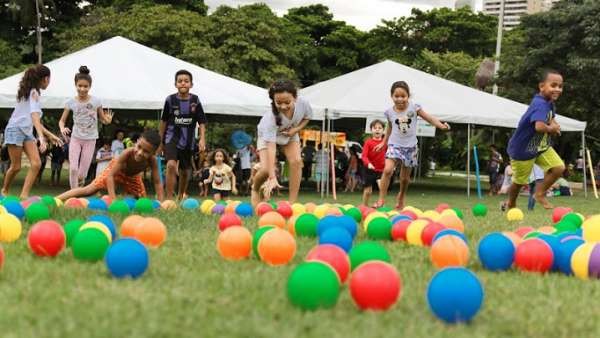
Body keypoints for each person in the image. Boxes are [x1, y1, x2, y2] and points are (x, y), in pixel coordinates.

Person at [374, 81, 450, 209]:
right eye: (396, 96)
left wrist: (441, 126)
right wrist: (383, 142)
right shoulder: (389, 112)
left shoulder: (414, 108)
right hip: (394, 145)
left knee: (404, 179)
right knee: (387, 170)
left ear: (408, 96)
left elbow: (429, 118)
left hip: (410, 147)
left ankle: (401, 196)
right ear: (391, 96)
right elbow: (390, 127)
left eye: (403, 96)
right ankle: (381, 199)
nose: (399, 99)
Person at [503, 69, 565, 210]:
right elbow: (539, 126)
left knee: (558, 168)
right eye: (553, 85)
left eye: (560, 86)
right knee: (519, 182)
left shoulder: (549, 102)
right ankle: (511, 202)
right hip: (522, 150)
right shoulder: (540, 104)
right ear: (542, 86)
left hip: (538, 146)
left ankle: (539, 193)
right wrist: (552, 129)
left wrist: (555, 125)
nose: (557, 89)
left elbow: (551, 118)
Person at [2, 64, 63, 198]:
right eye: (49, 79)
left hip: (26, 132)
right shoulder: (33, 92)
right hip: (15, 130)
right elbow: (34, 116)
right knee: (16, 166)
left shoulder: (33, 92)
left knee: (36, 163)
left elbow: (35, 120)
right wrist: (41, 138)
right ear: (45, 78)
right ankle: (4, 191)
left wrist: (50, 135)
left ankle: (24, 196)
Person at [251, 80, 312, 206]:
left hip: (290, 132)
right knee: (266, 169)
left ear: (295, 98)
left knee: (296, 161)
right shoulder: (270, 119)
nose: (283, 106)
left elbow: (307, 118)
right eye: (279, 103)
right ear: (273, 100)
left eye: (287, 102)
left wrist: (295, 130)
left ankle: (292, 202)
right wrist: (272, 177)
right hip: (266, 136)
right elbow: (271, 148)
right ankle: (255, 188)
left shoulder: (303, 103)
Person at [57, 130, 164, 201]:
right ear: (136, 142)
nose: (140, 152)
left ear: (153, 153)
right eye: (139, 147)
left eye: (146, 151)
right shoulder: (127, 153)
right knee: (89, 190)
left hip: (133, 176)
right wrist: (113, 200)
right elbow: (110, 176)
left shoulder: (152, 161)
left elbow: (157, 182)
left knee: (142, 199)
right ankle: (57, 199)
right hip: (115, 171)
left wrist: (160, 202)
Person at [59, 66, 113, 189]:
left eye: (85, 86)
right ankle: (74, 194)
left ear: (90, 86)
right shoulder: (70, 102)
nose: (82, 89)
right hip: (76, 138)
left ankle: (80, 182)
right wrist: (62, 128)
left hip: (90, 139)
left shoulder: (96, 101)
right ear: (75, 85)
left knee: (82, 173)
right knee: (73, 168)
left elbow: (103, 119)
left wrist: (107, 120)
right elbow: (61, 121)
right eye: (80, 86)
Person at [159, 69, 207, 200]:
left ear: (191, 84)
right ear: (175, 84)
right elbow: (163, 121)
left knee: (185, 172)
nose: (183, 83)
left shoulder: (195, 100)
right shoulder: (170, 100)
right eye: (180, 81)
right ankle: (168, 199)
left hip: (189, 141)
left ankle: (180, 196)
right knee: (171, 165)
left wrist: (202, 139)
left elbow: (202, 121)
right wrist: (160, 141)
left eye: (186, 81)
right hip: (171, 138)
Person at [361, 119, 387, 206]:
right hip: (369, 169)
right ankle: (364, 206)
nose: (377, 129)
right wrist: (368, 163)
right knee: (368, 191)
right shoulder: (368, 142)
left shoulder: (385, 143)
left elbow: (389, 154)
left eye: (380, 128)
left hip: (381, 170)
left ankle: (379, 204)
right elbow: (364, 156)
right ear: (371, 130)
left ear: (383, 131)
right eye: (375, 128)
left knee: (382, 187)